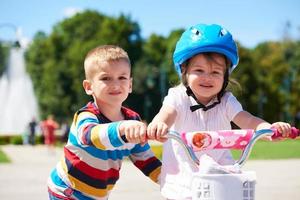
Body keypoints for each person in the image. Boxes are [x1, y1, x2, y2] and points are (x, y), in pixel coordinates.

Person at [147, 23, 292, 199]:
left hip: (220, 176)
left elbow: (247, 120)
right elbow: (166, 113)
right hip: (182, 179)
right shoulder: (178, 97)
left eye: (215, 72)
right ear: (184, 71)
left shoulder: (226, 101)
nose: (207, 77)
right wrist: (159, 125)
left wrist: (269, 128)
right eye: (199, 70)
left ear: (225, 76)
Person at [47, 45, 161, 200]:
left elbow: (146, 160)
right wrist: (122, 128)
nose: (115, 84)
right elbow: (91, 136)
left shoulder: (132, 120)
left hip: (98, 194)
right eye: (106, 78)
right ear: (89, 87)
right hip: (68, 190)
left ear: (130, 85)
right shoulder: (87, 116)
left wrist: (173, 182)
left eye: (122, 78)